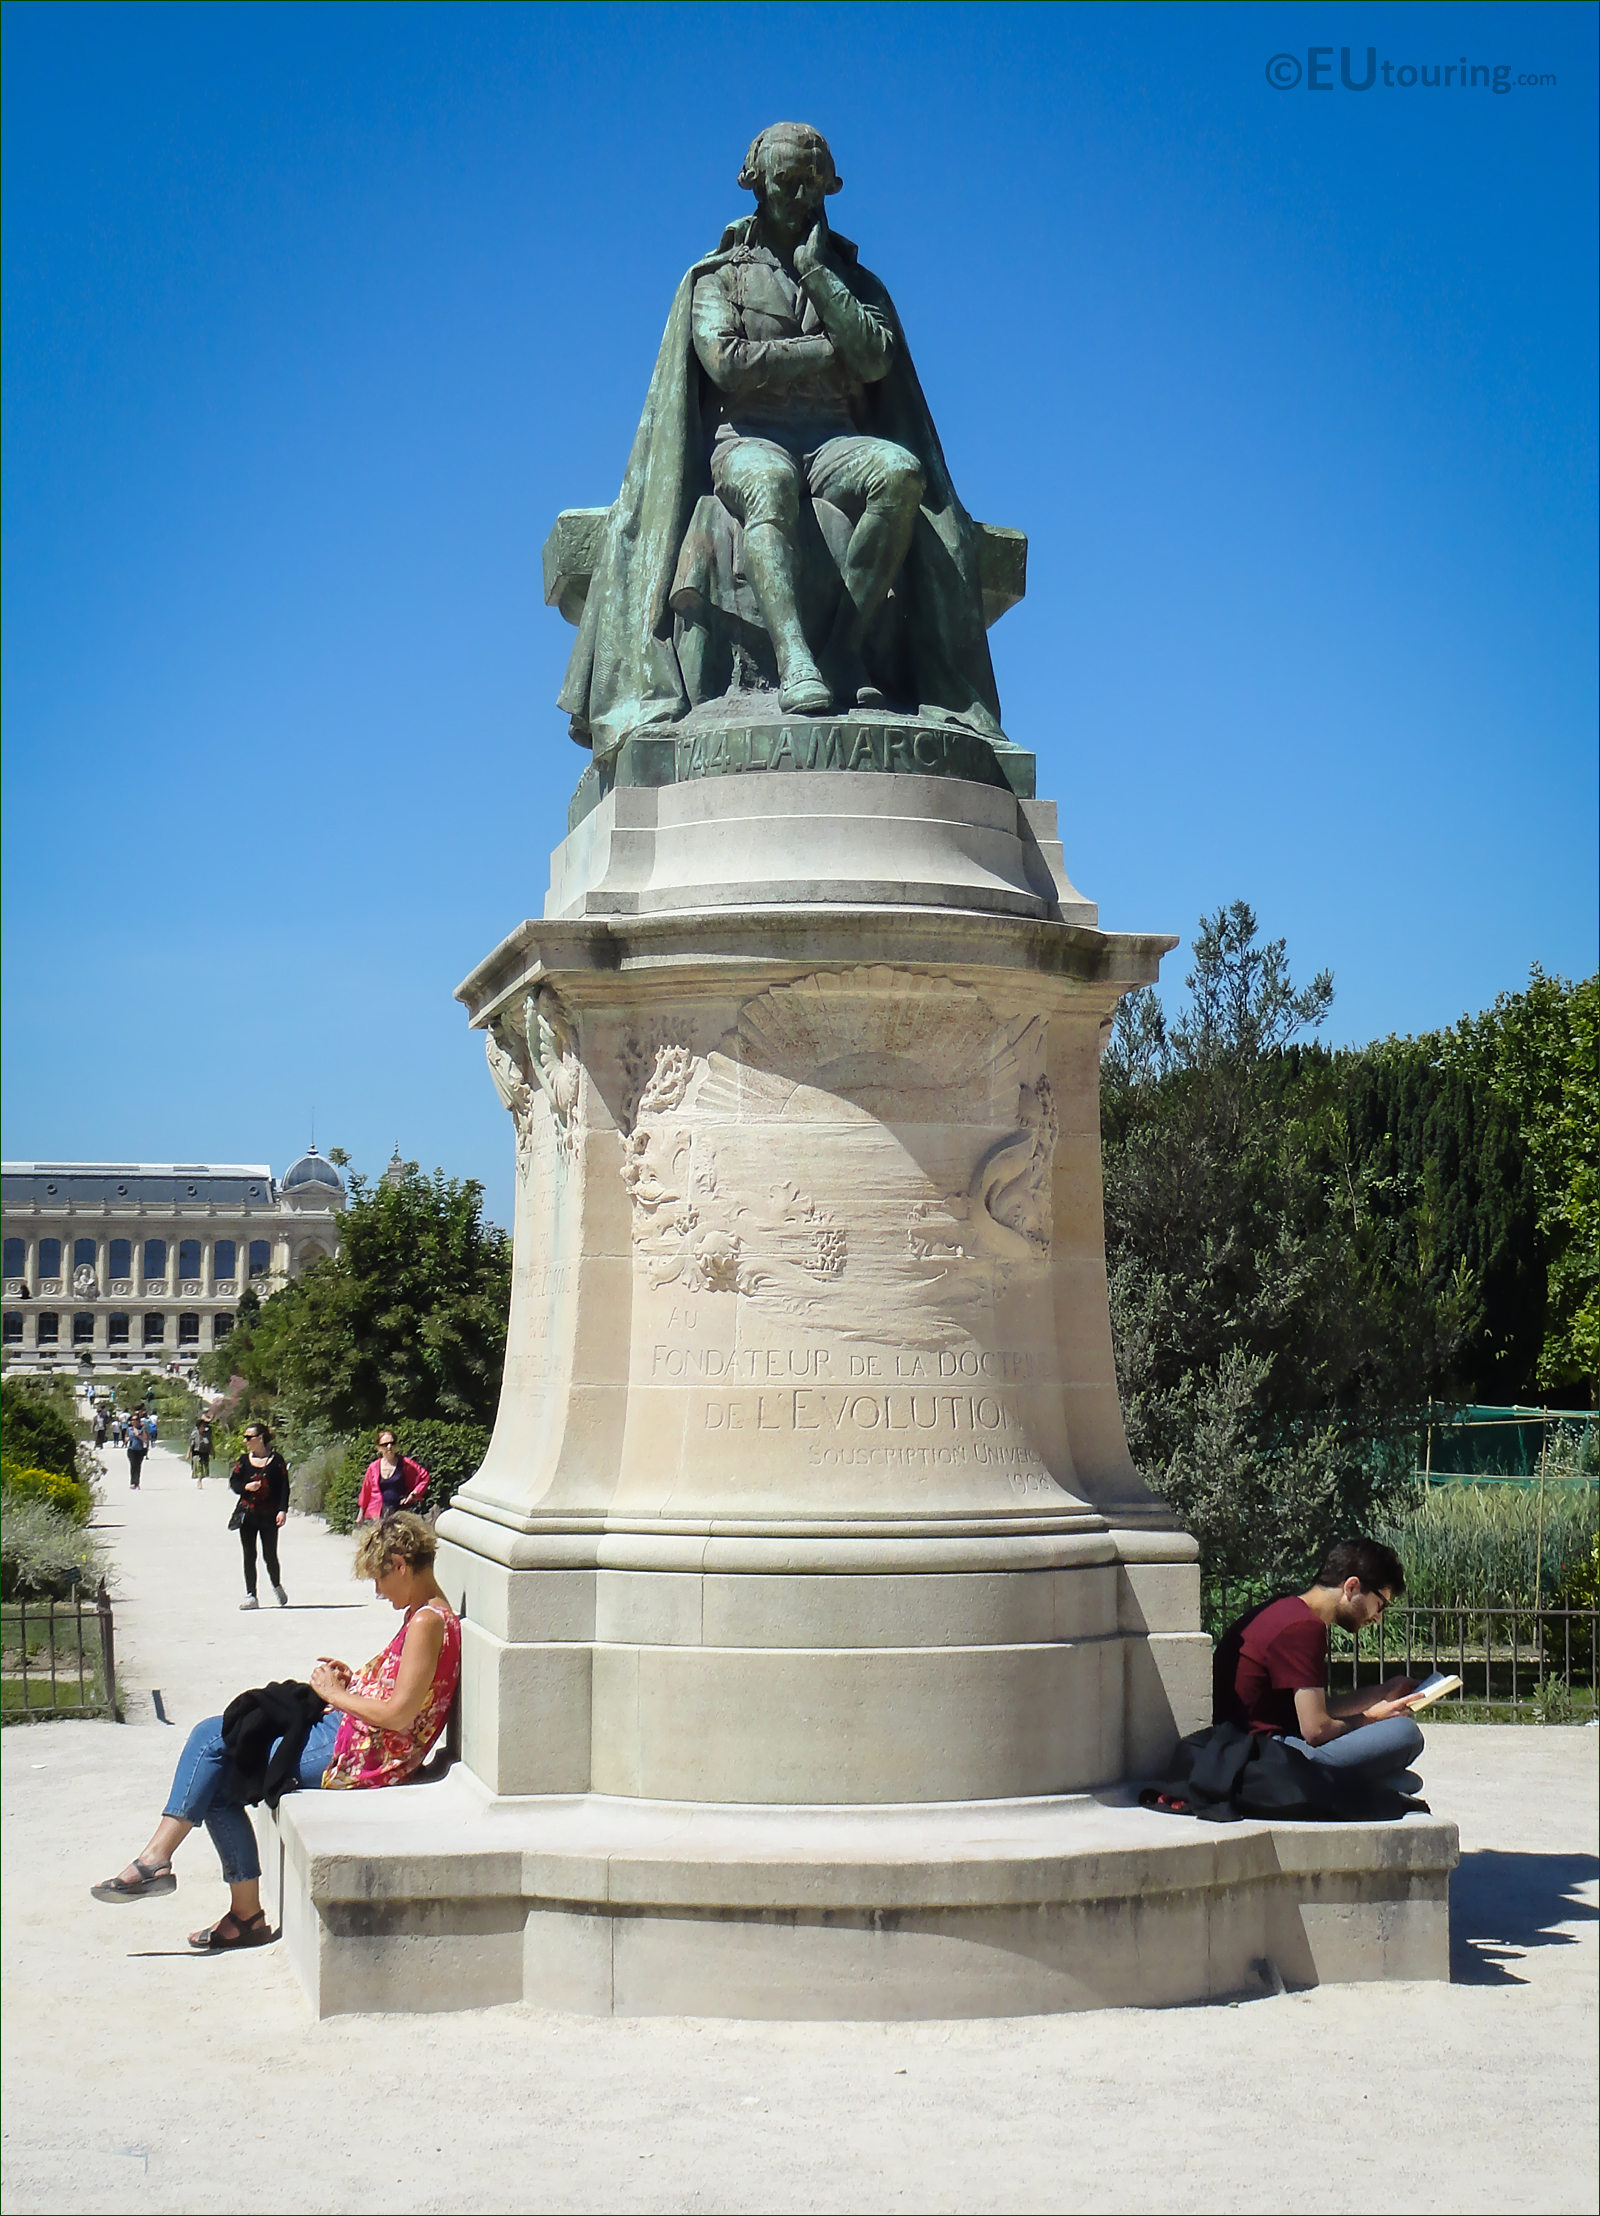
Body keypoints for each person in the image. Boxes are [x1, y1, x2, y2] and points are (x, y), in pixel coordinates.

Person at [89, 1513, 461, 1950]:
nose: (378, 1591)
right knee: (218, 1760)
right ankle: (228, 1907)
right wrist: (350, 1680)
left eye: (379, 1578)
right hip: (357, 1738)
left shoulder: (427, 1622)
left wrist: (333, 1695)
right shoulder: (424, 1614)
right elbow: (400, 1690)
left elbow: (399, 1714)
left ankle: (161, 1863)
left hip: (362, 1753)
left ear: (400, 1564)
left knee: (215, 1744)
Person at [1213, 1538, 1425, 1795]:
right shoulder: (1303, 1626)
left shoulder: (1285, 1610)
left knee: (1406, 1783)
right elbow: (1316, 1730)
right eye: (1380, 1605)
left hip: (1247, 1751)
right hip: (1268, 1757)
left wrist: (1385, 1691)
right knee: (1406, 1734)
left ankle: (1348, 1790)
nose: (1378, 1618)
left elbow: (1319, 1712)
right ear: (1352, 1586)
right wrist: (1371, 1718)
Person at [229, 1422, 290, 1610]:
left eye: (249, 1437)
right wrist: (246, 1487)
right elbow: (234, 1483)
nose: (245, 1440)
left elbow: (284, 1488)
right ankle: (251, 1595)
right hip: (248, 1514)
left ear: (260, 1438)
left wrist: (282, 1510)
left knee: (270, 1555)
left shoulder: (277, 1461)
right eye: (245, 1437)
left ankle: (276, 1584)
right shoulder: (243, 1461)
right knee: (249, 1555)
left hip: (269, 1515)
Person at [356, 1430, 430, 1523]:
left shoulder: (406, 1464)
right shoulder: (373, 1467)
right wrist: (360, 1514)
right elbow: (366, 1491)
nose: (389, 1447)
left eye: (392, 1443)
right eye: (385, 1444)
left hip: (399, 1514)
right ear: (379, 1448)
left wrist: (414, 1494)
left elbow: (424, 1477)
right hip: (377, 1515)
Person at [188, 1415, 212, 1486]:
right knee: (199, 1467)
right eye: (202, 1426)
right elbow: (191, 1444)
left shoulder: (208, 1432)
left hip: (205, 1452)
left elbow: (210, 1443)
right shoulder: (195, 1432)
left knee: (205, 1470)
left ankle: (200, 1479)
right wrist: (188, 1453)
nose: (204, 1427)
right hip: (197, 1453)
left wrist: (212, 1452)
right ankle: (199, 1480)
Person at [125, 1413, 148, 1492]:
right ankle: (132, 1482)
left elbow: (145, 1439)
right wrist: (127, 1439)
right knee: (133, 1465)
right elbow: (126, 1437)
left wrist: (138, 1435)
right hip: (131, 1449)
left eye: (135, 1420)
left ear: (138, 1421)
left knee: (138, 1466)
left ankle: (137, 1483)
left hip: (140, 1450)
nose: (134, 1421)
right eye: (132, 1420)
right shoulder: (129, 1429)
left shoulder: (142, 1429)